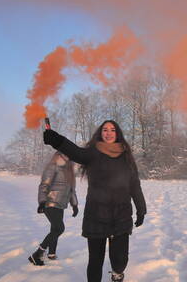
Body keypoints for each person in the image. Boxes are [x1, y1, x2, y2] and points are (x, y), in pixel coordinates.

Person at [43, 120, 146, 282]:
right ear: (101, 133)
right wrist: (55, 138)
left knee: (120, 260)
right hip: (96, 215)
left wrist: (141, 209)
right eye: (105, 130)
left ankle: (118, 273)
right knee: (95, 261)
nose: (109, 133)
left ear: (117, 133)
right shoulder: (93, 153)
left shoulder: (126, 156)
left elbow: (134, 185)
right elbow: (74, 151)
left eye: (112, 130)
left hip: (121, 216)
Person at [28, 151, 79, 266]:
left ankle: (51, 253)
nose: (66, 157)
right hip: (50, 203)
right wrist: (42, 202)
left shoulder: (70, 171)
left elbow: (72, 191)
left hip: (60, 204)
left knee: (55, 229)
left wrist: (74, 205)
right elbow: (44, 185)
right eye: (63, 155)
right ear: (58, 155)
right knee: (59, 228)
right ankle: (37, 254)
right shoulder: (53, 167)